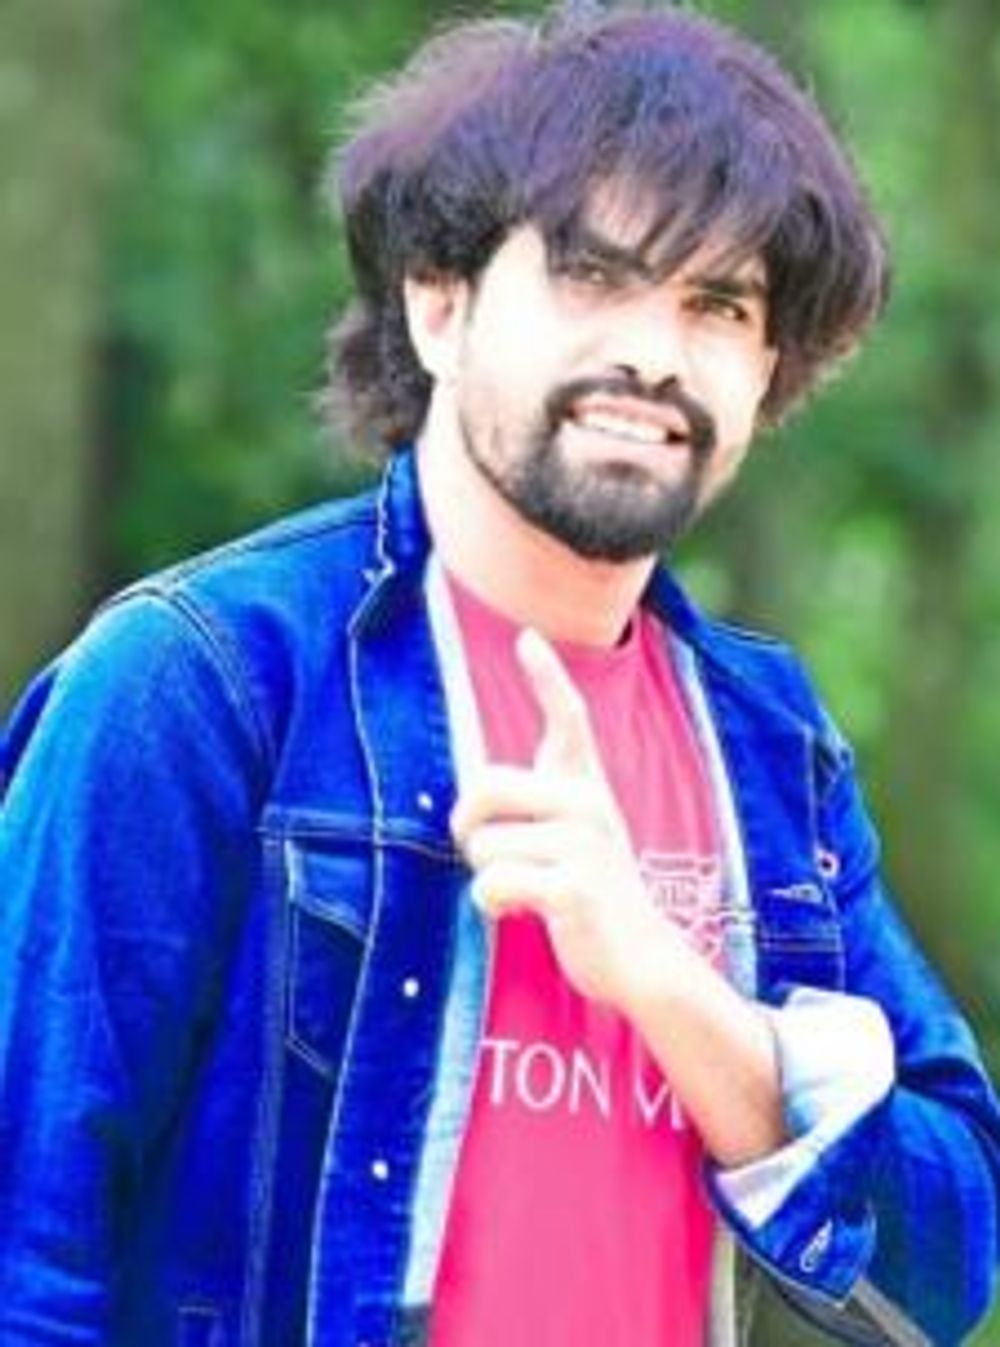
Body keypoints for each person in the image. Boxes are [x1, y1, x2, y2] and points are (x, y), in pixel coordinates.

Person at [1, 3, 998, 1344]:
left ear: (769, 369)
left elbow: (949, 1263)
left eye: (717, 305)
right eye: (593, 276)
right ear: (440, 304)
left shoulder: (771, 749)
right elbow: (24, 1244)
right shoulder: (201, 683)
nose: (654, 353)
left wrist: (666, 983)